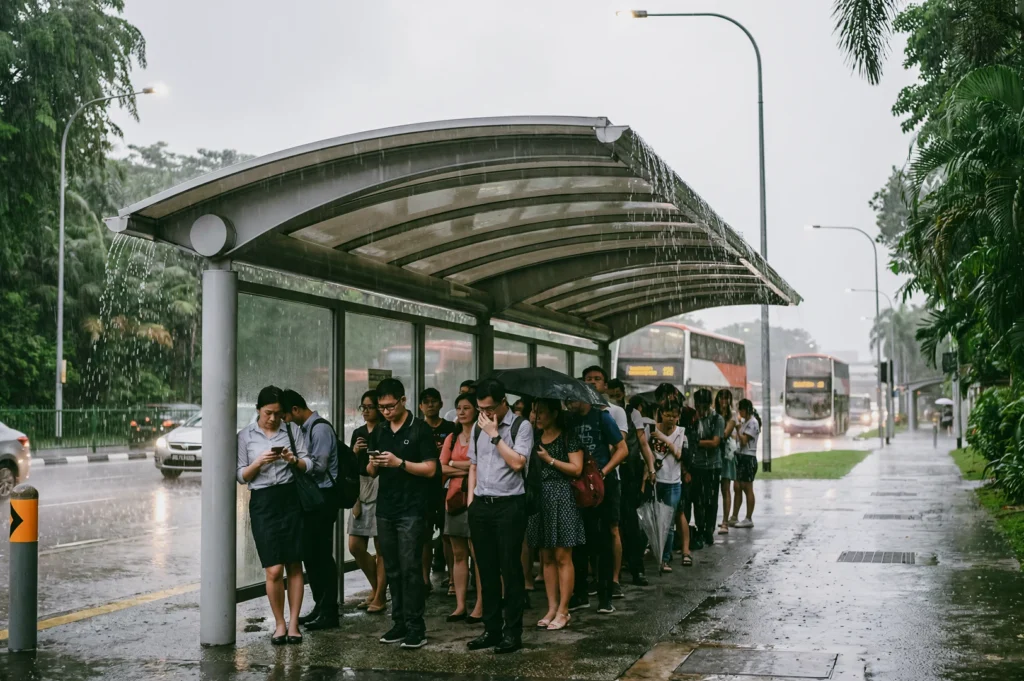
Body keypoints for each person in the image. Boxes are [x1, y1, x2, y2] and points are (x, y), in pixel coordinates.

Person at [367, 378, 438, 650]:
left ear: (403, 400)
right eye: (381, 407)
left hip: (412, 508)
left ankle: (416, 627)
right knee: (392, 568)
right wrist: (374, 462)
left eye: (390, 406)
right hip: (386, 507)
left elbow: (431, 469)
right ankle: (398, 622)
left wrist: (400, 463)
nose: (385, 411)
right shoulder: (381, 430)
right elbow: (371, 471)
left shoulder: (419, 429)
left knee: (410, 569)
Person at [236, 385, 311, 645]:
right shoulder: (245, 436)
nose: (273, 418)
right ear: (258, 410)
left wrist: (292, 460)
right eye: (269, 413)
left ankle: (293, 624)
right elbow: (240, 475)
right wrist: (259, 463)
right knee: (273, 568)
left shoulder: (292, 431)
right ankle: (278, 623)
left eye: (278, 414)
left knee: (294, 563)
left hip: (290, 498)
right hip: (263, 501)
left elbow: (308, 463)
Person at [466, 378, 534, 654]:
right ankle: (491, 629)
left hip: (510, 505)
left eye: (491, 407)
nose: (486, 413)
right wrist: (471, 501)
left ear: (503, 401)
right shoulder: (477, 426)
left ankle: (512, 632)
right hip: (482, 504)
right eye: (481, 408)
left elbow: (519, 462)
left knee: (510, 568)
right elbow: (473, 465)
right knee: (486, 569)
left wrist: (495, 435)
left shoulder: (521, 426)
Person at [280, 389, 340, 630]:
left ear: (295, 410)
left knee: (322, 555)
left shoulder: (320, 429)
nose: (284, 421)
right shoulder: (304, 429)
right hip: (313, 498)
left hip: (323, 497)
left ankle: (330, 611)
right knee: (312, 555)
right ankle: (320, 606)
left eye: (285, 415)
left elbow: (320, 464)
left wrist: (297, 461)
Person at [527, 399, 585, 631]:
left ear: (553, 413)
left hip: (563, 495)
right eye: (534, 411)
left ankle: (564, 609)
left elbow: (577, 468)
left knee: (563, 556)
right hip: (540, 497)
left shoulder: (568, 436)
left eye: (541, 412)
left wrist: (549, 459)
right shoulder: (533, 438)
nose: (536, 416)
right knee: (546, 557)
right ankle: (551, 607)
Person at [567, 394, 627, 615]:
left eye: (572, 399)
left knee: (602, 542)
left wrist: (603, 472)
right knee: (579, 542)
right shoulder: (570, 420)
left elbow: (622, 449)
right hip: (578, 486)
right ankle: (580, 593)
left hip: (602, 486)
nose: (569, 404)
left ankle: (605, 596)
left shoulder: (602, 418)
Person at [581, 366, 629, 599]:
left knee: (611, 529)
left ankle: (614, 578)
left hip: (608, 480)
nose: (592, 383)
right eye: (588, 379)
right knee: (588, 531)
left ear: (606, 385)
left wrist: (602, 472)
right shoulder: (576, 414)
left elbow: (620, 446)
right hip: (583, 483)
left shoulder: (613, 412)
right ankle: (593, 577)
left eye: (597, 379)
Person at [439, 392, 484, 623]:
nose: (462, 412)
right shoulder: (452, 437)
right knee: (458, 553)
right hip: (455, 498)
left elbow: (484, 465)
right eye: (459, 408)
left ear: (476, 410)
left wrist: (456, 464)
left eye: (467, 407)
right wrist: (466, 468)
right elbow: (441, 468)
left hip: (477, 497)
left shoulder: (483, 434)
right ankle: (459, 605)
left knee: (478, 553)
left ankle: (480, 604)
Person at [349, 390, 387, 614]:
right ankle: (376, 588)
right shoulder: (358, 432)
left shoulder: (384, 431)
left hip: (381, 485)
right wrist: (354, 452)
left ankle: (380, 595)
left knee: (381, 546)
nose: (365, 411)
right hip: (361, 486)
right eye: (363, 407)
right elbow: (351, 465)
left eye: (369, 407)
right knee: (355, 545)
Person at [418, 388, 458, 593]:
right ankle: (425, 579)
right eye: (426, 402)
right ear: (420, 406)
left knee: (448, 534)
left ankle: (453, 579)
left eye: (434, 401)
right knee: (424, 534)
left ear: (441, 404)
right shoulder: (416, 428)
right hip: (424, 488)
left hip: (447, 485)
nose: (430, 405)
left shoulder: (451, 428)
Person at [618, 391, 657, 587]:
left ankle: (635, 568)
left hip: (627, 475)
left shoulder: (630, 413)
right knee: (612, 527)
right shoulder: (595, 412)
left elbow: (643, 443)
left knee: (630, 523)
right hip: (607, 476)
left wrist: (650, 468)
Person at [651, 399, 691, 571]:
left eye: (673, 416)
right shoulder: (652, 429)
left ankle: (665, 559)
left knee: (668, 520)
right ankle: (656, 553)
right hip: (655, 480)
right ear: (661, 414)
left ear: (678, 417)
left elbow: (679, 455)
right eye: (667, 415)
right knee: (655, 519)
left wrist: (663, 439)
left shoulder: (681, 433)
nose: (670, 419)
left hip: (673, 482)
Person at [689, 388, 724, 547]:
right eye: (698, 406)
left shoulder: (717, 419)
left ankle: (709, 530)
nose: (700, 409)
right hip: (696, 465)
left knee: (711, 499)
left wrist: (696, 443)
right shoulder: (693, 419)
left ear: (709, 404)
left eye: (703, 406)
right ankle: (700, 528)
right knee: (698, 500)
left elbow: (715, 442)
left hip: (712, 466)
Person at [731, 399, 760, 528]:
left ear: (746, 410)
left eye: (741, 410)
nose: (739, 413)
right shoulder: (745, 423)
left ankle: (748, 518)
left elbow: (743, 440)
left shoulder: (753, 423)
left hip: (748, 457)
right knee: (737, 487)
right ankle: (734, 516)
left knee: (747, 488)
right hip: (740, 456)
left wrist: (737, 428)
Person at [715, 390, 738, 536]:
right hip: (713, 454)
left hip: (726, 455)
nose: (723, 401)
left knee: (725, 488)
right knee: (711, 490)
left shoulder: (732, 415)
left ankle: (725, 521)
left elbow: (724, 434)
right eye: (721, 398)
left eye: (726, 399)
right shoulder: (713, 414)